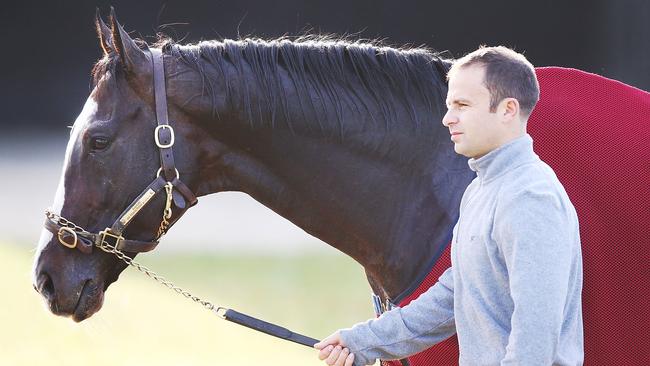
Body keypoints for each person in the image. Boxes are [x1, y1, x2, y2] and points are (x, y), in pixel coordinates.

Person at [314, 45, 584, 366]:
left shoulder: (530, 197)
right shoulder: (480, 190)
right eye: (448, 105)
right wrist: (362, 341)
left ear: (508, 110)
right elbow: (456, 293)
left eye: (462, 105)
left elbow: (536, 339)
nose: (447, 118)